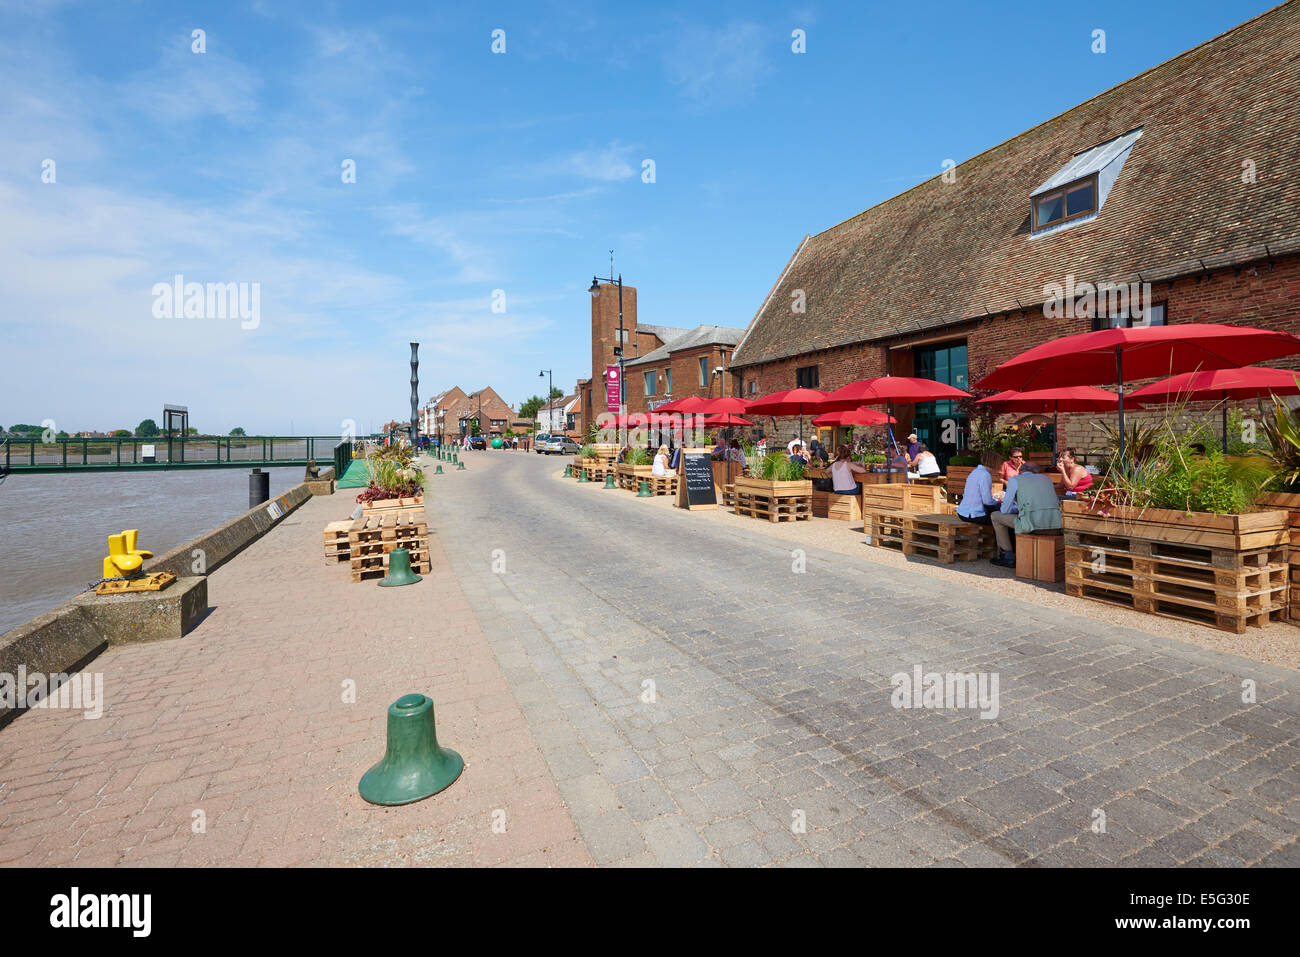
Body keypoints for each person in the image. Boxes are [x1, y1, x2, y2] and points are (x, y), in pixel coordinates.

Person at [990, 463, 1061, 567]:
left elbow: (1005, 509)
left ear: (1020, 471)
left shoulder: (1015, 480)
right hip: (1055, 524)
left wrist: (1016, 509)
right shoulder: (1047, 479)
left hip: (1032, 524)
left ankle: (1008, 556)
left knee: (995, 516)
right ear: (1037, 471)